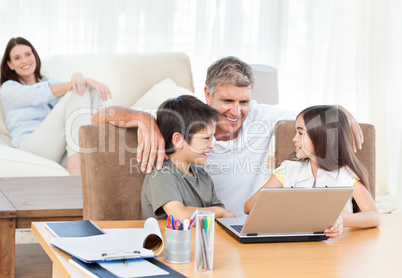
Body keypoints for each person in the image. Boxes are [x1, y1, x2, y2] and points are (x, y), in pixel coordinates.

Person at [91, 56, 364, 217]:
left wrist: (336, 111)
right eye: (227, 100)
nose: (236, 112)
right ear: (208, 95)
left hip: (240, 226)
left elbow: (313, 117)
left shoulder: (261, 115)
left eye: (244, 102)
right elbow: (98, 117)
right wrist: (142, 119)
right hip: (201, 227)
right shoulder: (185, 118)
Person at [244, 105, 380, 238]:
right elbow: (249, 206)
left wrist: (342, 220)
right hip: (294, 246)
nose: (294, 139)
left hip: (334, 251)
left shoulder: (345, 175)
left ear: (322, 136)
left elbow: (374, 216)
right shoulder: (288, 169)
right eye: (295, 132)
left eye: (301, 133)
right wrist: (286, 210)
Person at [0, 37, 111, 175]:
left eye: (28, 54)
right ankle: (76, 166)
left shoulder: (48, 81)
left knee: (89, 90)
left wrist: (79, 77)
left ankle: (92, 152)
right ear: (10, 65)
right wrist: (82, 79)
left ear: (35, 56)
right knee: (78, 89)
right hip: (29, 145)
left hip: (55, 147)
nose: (24, 60)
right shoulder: (8, 88)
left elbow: (73, 106)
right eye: (17, 58)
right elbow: (40, 93)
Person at [141, 95, 235, 221]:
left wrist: (221, 214)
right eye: (206, 138)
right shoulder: (161, 174)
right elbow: (180, 216)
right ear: (178, 140)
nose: (212, 145)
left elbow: (225, 219)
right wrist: (219, 212)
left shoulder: (203, 176)